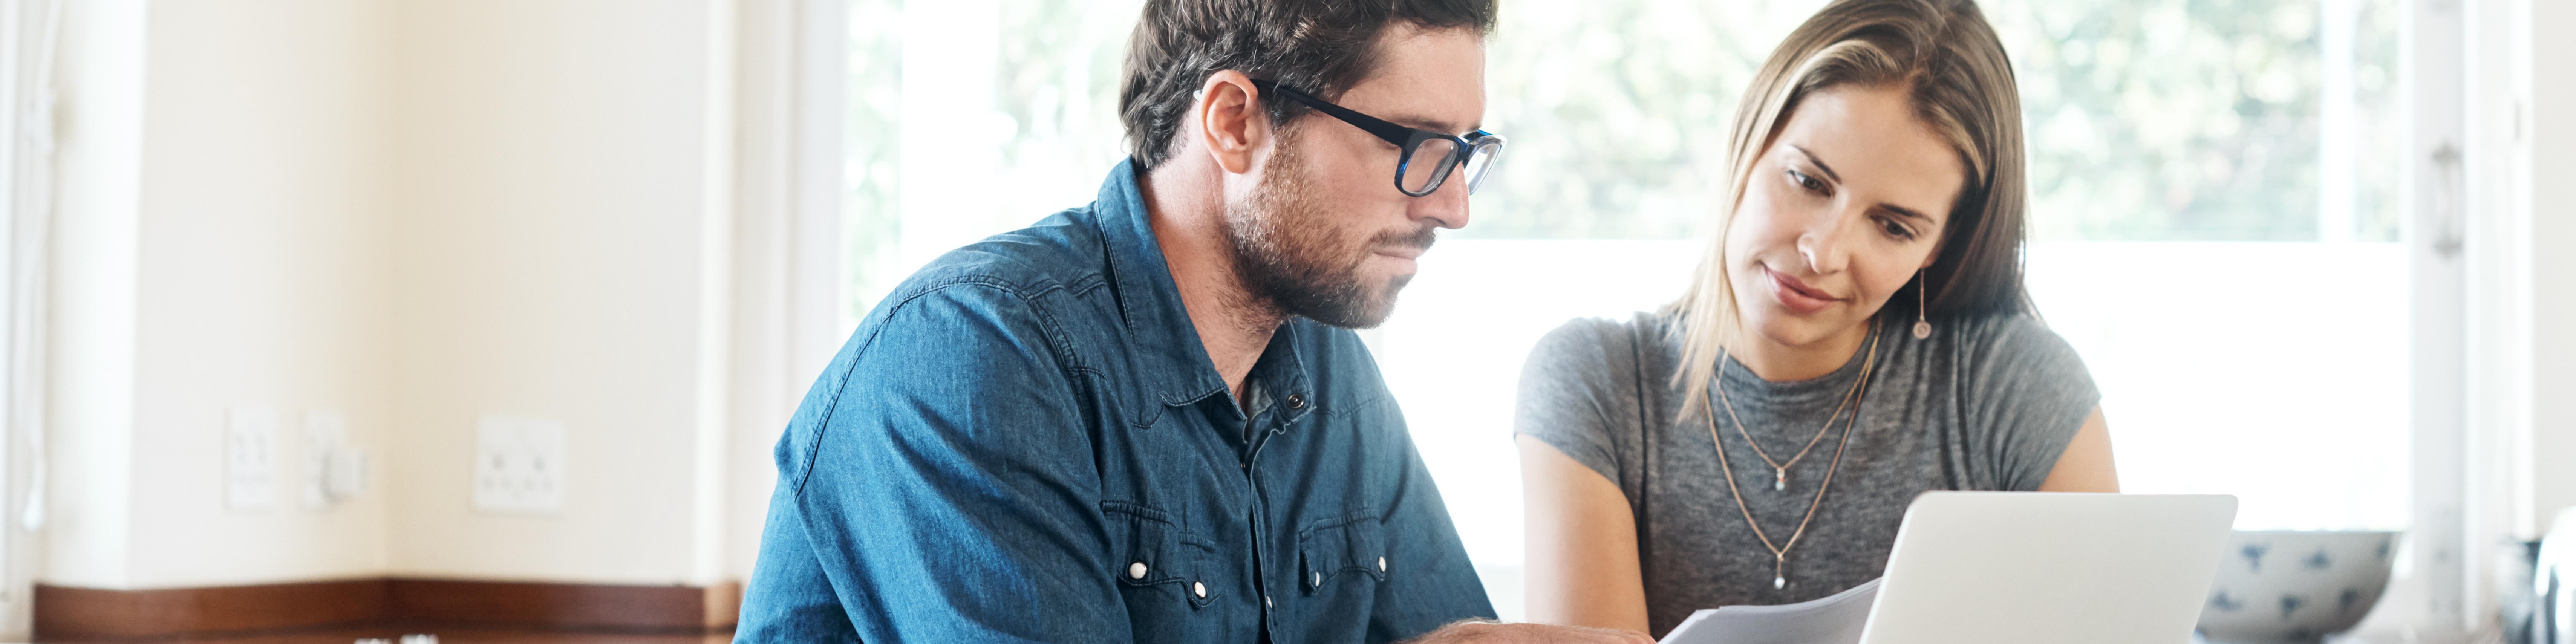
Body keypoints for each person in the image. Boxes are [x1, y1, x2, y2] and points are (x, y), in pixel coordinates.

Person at [736, 1, 1649, 642]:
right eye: (1413, 147)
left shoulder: (1331, 375)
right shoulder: (972, 354)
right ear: (1233, 121)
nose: (1452, 206)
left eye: (1465, 154)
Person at [1512, 0, 2123, 638]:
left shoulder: (2016, 388)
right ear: (1752, 139)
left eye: (1892, 226)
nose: (1823, 253)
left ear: (1936, 248)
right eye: (1808, 181)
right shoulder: (1594, 383)